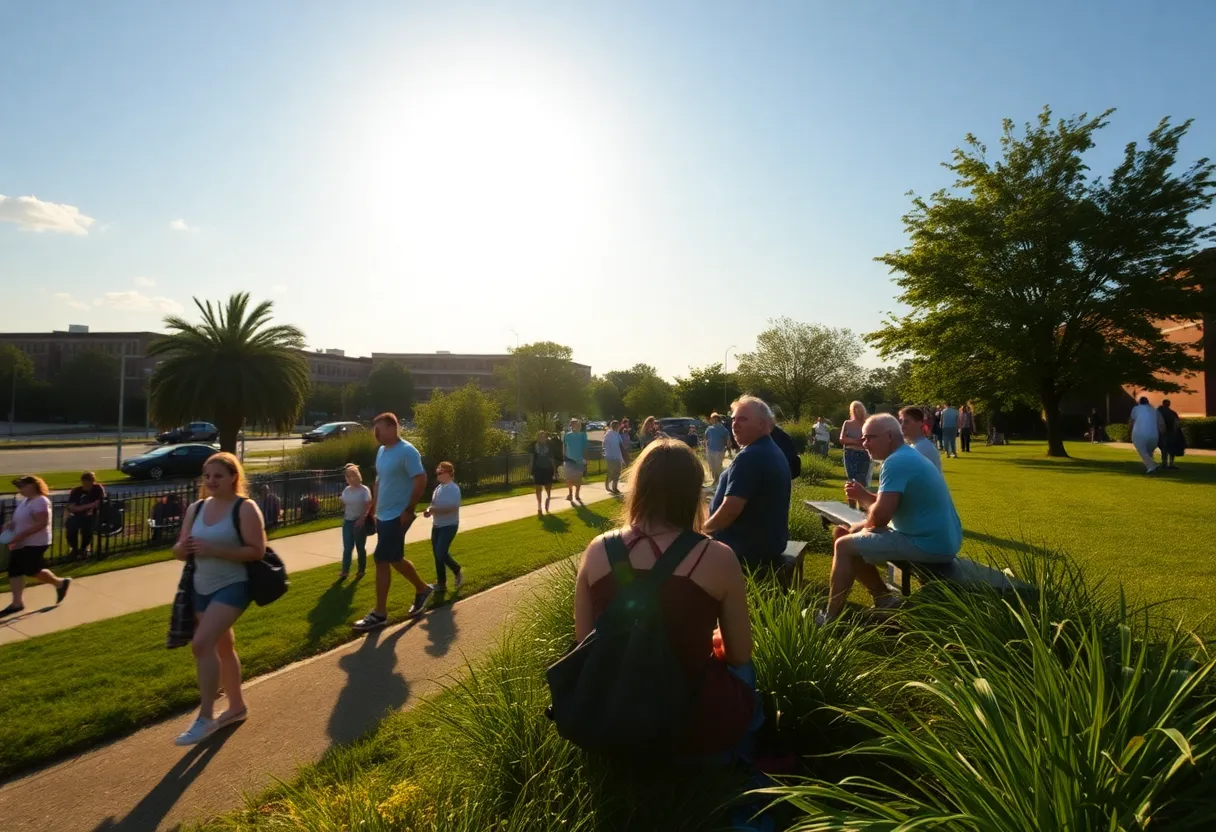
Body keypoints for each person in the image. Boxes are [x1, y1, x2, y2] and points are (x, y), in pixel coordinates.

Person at [573, 438, 758, 756]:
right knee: (745, 670)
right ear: (693, 491)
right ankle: (741, 748)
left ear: (639, 486)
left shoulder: (598, 548)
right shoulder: (717, 556)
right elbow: (739, 654)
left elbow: (584, 641)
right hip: (686, 720)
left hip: (613, 714)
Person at [812, 414, 962, 624]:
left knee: (844, 545)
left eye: (869, 438)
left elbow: (880, 518)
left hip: (929, 544)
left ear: (889, 436)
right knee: (845, 532)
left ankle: (829, 617)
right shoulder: (905, 455)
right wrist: (864, 497)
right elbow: (890, 504)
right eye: (863, 439)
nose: (864, 444)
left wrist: (863, 502)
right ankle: (884, 598)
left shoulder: (895, 462)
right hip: (938, 539)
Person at [170, 452, 265, 745]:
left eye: (218, 476)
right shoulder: (196, 509)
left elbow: (257, 551)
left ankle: (206, 717)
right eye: (207, 475)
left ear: (233, 477)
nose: (211, 481)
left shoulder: (245, 508)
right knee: (224, 645)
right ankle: (236, 707)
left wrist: (214, 549)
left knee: (202, 643)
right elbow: (178, 550)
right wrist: (183, 548)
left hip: (233, 584)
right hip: (201, 585)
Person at [353, 413, 434, 632]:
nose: (376, 433)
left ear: (392, 427)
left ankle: (380, 613)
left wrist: (408, 510)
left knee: (381, 559)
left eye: (379, 428)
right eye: (374, 429)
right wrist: (372, 510)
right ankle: (423, 589)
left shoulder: (407, 451)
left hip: (399, 515)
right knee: (394, 558)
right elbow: (380, 482)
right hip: (384, 515)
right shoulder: (382, 451)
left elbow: (421, 479)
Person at [704, 396, 791, 571]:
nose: (735, 425)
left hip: (745, 548)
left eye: (742, 419)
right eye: (733, 419)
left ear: (761, 424)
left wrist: (702, 531)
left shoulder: (750, 456)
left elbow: (730, 511)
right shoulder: (771, 449)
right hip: (770, 542)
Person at [1, 475, 71, 617]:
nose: (20, 490)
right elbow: (20, 520)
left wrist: (19, 537)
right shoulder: (26, 501)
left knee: (31, 570)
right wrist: (10, 525)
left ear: (32, 486)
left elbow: (41, 523)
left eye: (22, 486)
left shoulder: (40, 501)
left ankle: (60, 583)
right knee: (15, 570)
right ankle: (17, 603)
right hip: (22, 541)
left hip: (36, 542)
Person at [423, 461, 464, 591]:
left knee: (441, 552)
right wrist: (429, 510)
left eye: (440, 473)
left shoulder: (453, 488)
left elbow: (453, 508)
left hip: (449, 525)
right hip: (437, 525)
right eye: (437, 473)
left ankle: (456, 569)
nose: (438, 475)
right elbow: (433, 504)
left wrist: (436, 510)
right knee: (437, 554)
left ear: (449, 473)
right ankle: (441, 583)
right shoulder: (438, 488)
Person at [339, 463, 372, 580]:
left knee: (360, 547)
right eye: (347, 477)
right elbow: (344, 502)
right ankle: (344, 571)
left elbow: (368, 506)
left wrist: (362, 519)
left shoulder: (364, 490)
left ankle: (361, 570)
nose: (349, 479)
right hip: (347, 521)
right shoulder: (347, 490)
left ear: (357, 476)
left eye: (351, 476)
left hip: (359, 522)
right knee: (347, 547)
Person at [65, 471, 105, 559]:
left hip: (91, 515)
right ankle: (74, 549)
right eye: (85, 481)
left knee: (87, 528)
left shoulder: (97, 489)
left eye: (90, 481)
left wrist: (81, 508)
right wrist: (90, 505)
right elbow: (71, 507)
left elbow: (99, 503)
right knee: (71, 528)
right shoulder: (76, 491)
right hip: (76, 515)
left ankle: (84, 549)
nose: (87, 484)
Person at [840, 401, 873, 499]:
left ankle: (860, 502)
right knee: (854, 478)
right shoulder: (847, 423)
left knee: (860, 479)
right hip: (852, 453)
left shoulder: (867, 423)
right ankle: (853, 501)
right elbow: (842, 439)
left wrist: (854, 442)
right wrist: (856, 441)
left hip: (861, 453)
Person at [898, 407, 942, 472]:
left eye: (906, 421)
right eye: (901, 422)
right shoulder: (919, 445)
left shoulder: (921, 449)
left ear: (919, 423)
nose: (902, 426)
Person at [1129, 396, 1164, 474]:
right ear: (1148, 402)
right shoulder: (1155, 410)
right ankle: (1151, 468)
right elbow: (1161, 423)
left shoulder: (1136, 409)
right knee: (1149, 452)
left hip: (1139, 433)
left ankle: (1152, 466)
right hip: (1154, 435)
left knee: (1143, 452)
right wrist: (1162, 433)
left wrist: (1129, 430)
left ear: (1139, 402)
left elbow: (1131, 421)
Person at [562, 418, 590, 503]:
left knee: (578, 478)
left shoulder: (583, 435)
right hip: (568, 459)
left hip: (579, 459)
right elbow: (564, 446)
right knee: (569, 478)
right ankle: (570, 493)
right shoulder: (567, 435)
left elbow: (585, 447)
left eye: (577, 425)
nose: (575, 426)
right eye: (573, 424)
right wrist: (563, 455)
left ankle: (577, 494)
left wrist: (586, 458)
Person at [531, 430, 558, 515]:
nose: (542, 438)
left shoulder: (549, 447)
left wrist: (554, 471)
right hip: (537, 469)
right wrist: (530, 471)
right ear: (538, 438)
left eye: (544, 437)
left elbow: (552, 459)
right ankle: (539, 508)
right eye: (540, 437)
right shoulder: (534, 447)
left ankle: (548, 498)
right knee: (538, 488)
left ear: (546, 438)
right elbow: (531, 459)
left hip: (547, 469)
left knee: (548, 488)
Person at [1157, 399, 1185, 470]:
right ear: (1169, 404)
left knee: (1164, 448)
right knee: (1171, 448)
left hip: (1162, 432)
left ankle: (1164, 463)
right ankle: (1171, 463)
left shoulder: (1159, 412)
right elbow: (1177, 423)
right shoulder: (1172, 413)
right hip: (1171, 432)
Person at [704, 412, 731, 484]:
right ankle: (715, 480)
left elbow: (728, 440)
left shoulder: (724, 430)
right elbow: (706, 439)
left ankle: (720, 481)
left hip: (719, 451)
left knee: (718, 467)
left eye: (712, 419)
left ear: (716, 419)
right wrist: (706, 449)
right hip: (710, 450)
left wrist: (728, 450)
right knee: (712, 467)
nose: (710, 420)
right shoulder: (709, 429)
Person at [602, 420, 626, 495]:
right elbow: (604, 444)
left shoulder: (617, 435)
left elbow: (620, 446)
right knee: (611, 472)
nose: (618, 427)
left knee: (617, 472)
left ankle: (614, 487)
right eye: (617, 425)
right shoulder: (609, 434)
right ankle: (607, 485)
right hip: (610, 456)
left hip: (617, 456)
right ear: (615, 426)